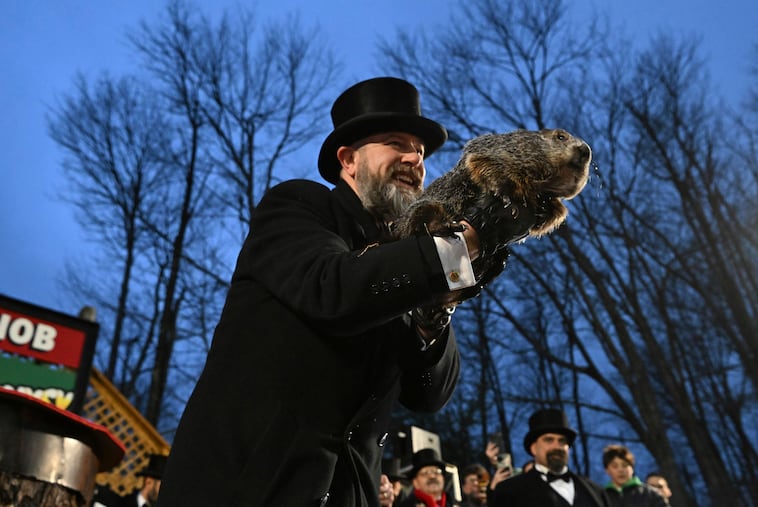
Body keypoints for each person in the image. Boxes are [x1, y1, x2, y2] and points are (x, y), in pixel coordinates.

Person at [158, 77, 537, 507]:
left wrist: (436, 310)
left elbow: (430, 393)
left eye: (421, 151)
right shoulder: (299, 208)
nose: (415, 159)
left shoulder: (405, 262)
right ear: (349, 159)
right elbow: (334, 288)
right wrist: (453, 252)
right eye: (397, 143)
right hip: (246, 488)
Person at [488, 408, 610, 507]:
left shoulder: (596, 491)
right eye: (549, 440)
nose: (557, 446)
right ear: (533, 448)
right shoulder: (509, 491)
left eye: (562, 441)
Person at [603, 445, 668, 507]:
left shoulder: (651, 494)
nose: (621, 470)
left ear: (632, 468)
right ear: (607, 470)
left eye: (625, 465)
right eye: (615, 466)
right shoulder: (602, 497)